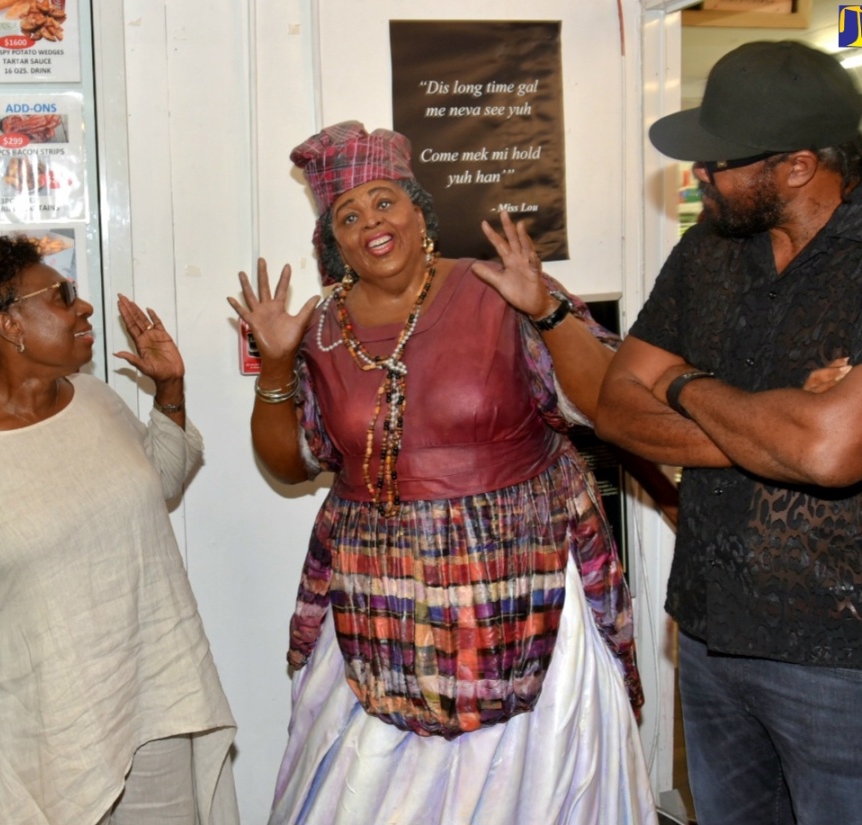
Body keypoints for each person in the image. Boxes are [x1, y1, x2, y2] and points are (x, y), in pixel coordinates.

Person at [229, 121, 653, 824]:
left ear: (419, 209)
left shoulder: (497, 288)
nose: (372, 224)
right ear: (331, 239)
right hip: (378, 597)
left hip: (526, 580)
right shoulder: (323, 330)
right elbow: (290, 462)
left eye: (385, 200)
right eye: (349, 214)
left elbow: (609, 404)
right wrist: (276, 366)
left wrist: (544, 307)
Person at [596, 40, 862, 825]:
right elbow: (614, 405)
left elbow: (828, 449)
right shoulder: (708, 248)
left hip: (839, 656)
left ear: (798, 166)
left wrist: (683, 384)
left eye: (719, 162)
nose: (699, 175)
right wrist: (770, 426)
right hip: (709, 632)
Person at [0, 234, 238, 825]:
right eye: (62, 295)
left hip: (155, 692)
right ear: (11, 324)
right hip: (53, 720)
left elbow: (163, 480)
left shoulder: (95, 397)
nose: (84, 307)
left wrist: (170, 389)